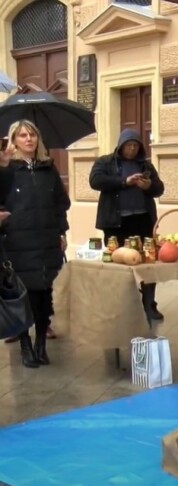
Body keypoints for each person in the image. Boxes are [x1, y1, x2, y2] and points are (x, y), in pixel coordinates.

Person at [0, 120, 70, 368]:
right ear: (14, 140)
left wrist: (62, 233)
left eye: (32, 134)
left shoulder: (48, 169)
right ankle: (25, 345)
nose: (28, 139)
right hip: (17, 242)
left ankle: (41, 343)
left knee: (44, 297)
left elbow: (61, 204)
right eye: (22, 135)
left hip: (46, 241)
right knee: (23, 297)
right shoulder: (7, 170)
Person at [89, 128, 165, 321]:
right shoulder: (106, 162)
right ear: (121, 146)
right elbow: (95, 180)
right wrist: (124, 181)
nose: (132, 149)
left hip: (142, 220)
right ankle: (121, 306)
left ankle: (149, 304)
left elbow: (159, 188)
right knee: (119, 266)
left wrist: (149, 186)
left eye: (135, 145)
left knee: (148, 264)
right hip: (116, 223)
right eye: (128, 145)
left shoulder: (145, 165)